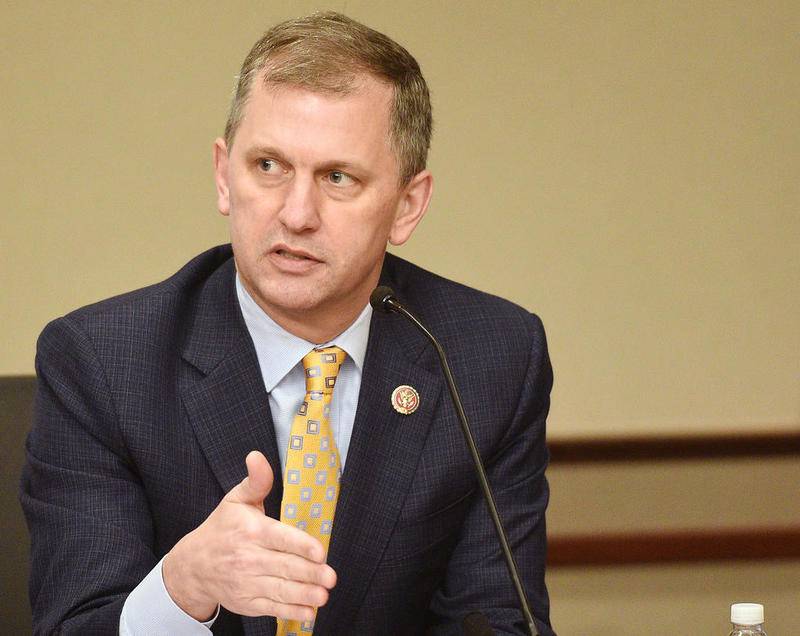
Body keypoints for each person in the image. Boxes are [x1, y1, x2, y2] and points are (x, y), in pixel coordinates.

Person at [21, 11, 555, 636]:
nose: (297, 214)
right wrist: (183, 586)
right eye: (269, 167)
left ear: (407, 206)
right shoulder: (102, 362)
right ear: (224, 175)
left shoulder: (487, 356)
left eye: (337, 177)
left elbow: (496, 618)